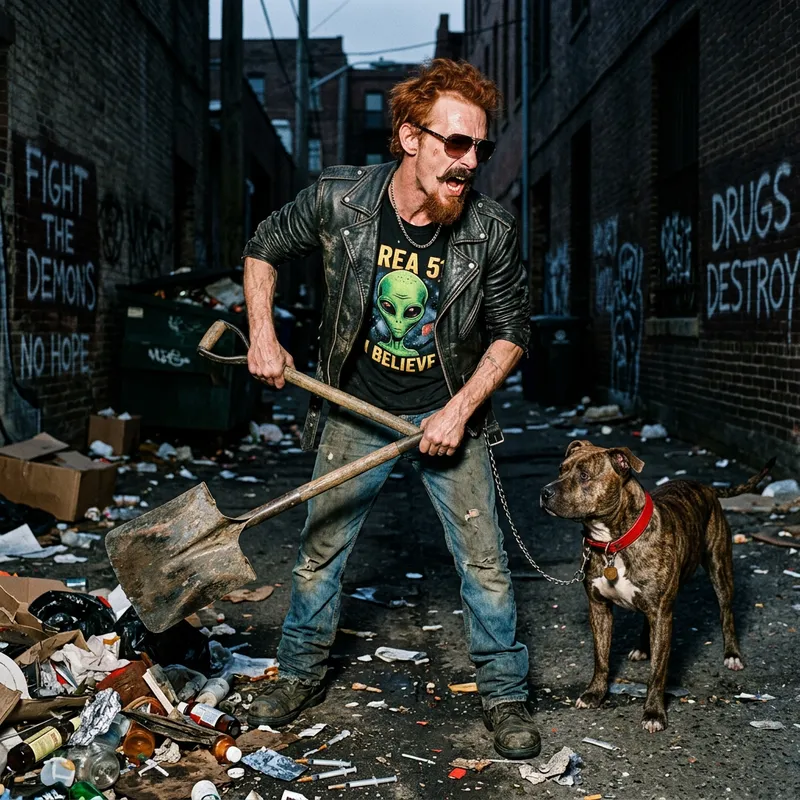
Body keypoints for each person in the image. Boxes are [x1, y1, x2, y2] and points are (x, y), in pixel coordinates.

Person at [241, 59, 537, 759]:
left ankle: (503, 696)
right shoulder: (340, 199)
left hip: (445, 412)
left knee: (486, 565)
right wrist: (262, 334)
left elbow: (511, 331)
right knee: (320, 552)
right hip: (355, 406)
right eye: (455, 144)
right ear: (409, 137)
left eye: (481, 149)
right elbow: (263, 247)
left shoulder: (491, 231)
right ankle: (302, 674)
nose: (470, 163)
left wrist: (459, 411)